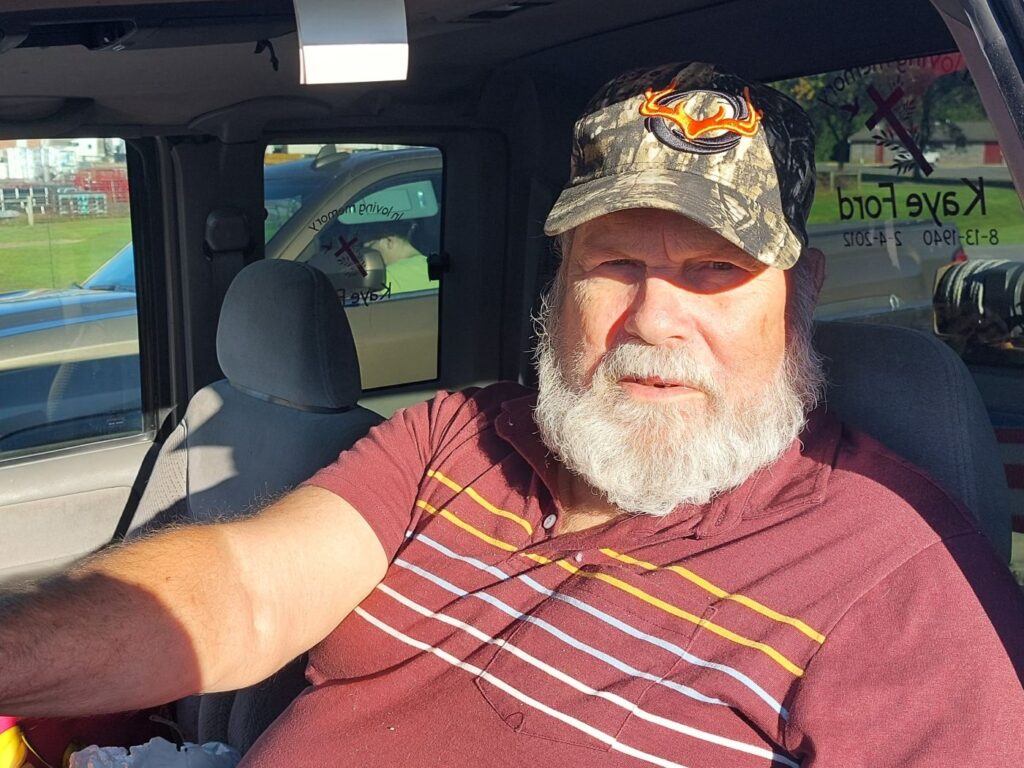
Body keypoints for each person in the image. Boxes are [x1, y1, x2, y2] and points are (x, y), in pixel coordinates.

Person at [1, 62, 1022, 767]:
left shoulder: (895, 574)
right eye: (615, 262)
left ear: (798, 298)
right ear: (560, 279)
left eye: (716, 272)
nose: (654, 319)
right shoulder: (463, 434)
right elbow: (244, 594)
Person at [357, 219, 436, 294]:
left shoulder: (384, 277)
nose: (365, 254)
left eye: (369, 247)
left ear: (389, 242)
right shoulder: (436, 268)